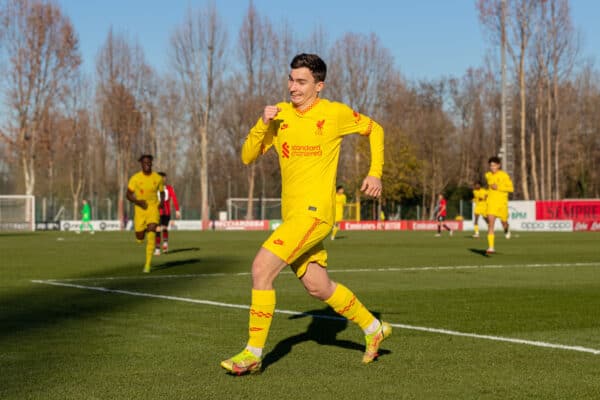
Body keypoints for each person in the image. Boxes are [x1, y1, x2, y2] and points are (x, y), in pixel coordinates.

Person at [220, 53, 391, 375]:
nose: (292, 87)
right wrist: (262, 124)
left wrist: (375, 172)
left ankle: (253, 353)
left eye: (301, 82)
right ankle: (373, 327)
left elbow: (376, 129)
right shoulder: (280, 115)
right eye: (290, 80)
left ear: (319, 85)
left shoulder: (335, 113)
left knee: (261, 269)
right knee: (318, 286)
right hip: (293, 215)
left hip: (316, 213)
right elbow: (247, 156)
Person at [126, 154, 165, 273]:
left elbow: (162, 192)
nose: (147, 164)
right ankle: (140, 236)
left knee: (152, 230)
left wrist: (162, 202)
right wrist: (138, 201)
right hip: (140, 209)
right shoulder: (135, 178)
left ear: (152, 163)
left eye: (149, 162)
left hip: (153, 208)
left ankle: (147, 264)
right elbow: (128, 195)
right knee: (140, 236)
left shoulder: (157, 178)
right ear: (141, 164)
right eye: (145, 163)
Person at [484, 156, 513, 254]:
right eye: (491, 165)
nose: (492, 167)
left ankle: (506, 228)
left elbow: (511, 188)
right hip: (491, 203)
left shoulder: (504, 176)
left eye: (494, 165)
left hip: (502, 203)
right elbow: (490, 185)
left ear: (498, 166)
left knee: (504, 223)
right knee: (490, 224)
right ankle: (491, 247)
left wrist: (499, 187)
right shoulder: (488, 175)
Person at [154, 172, 181, 255]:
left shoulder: (169, 188)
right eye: (161, 178)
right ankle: (158, 249)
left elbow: (174, 198)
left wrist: (177, 210)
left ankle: (165, 244)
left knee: (164, 228)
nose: (163, 180)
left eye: (164, 178)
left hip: (167, 212)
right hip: (157, 213)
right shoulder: (154, 189)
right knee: (158, 229)